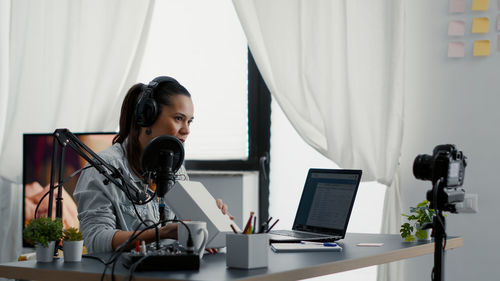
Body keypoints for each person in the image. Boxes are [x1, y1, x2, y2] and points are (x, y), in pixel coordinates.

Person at [73, 76, 231, 254]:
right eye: (179, 118)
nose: (187, 130)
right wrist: (161, 233)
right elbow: (96, 240)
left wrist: (209, 226)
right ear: (147, 117)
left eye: (189, 121)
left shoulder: (176, 168)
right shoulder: (102, 168)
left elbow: (184, 231)